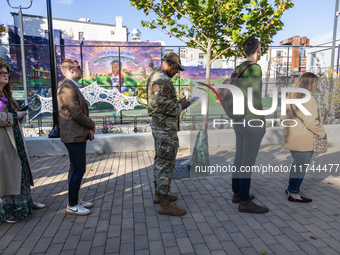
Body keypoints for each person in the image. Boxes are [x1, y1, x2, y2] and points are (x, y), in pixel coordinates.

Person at [0, 63, 45, 224]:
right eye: (2, 73)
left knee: (22, 170)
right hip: (4, 142)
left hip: (15, 138)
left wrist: (18, 114)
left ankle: (25, 202)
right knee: (7, 176)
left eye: (7, 73)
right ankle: (8, 211)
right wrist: (14, 116)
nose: (5, 76)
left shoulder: (6, 93)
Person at [147, 52, 190, 216]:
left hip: (161, 127)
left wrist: (176, 103)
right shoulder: (162, 80)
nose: (177, 72)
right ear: (171, 64)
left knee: (161, 161)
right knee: (166, 164)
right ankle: (164, 204)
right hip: (165, 130)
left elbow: (161, 104)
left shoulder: (156, 75)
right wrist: (182, 105)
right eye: (177, 68)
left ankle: (160, 194)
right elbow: (167, 107)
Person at [231, 37, 268, 214]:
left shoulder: (238, 68)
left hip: (237, 119)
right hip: (251, 120)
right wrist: (261, 120)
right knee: (247, 161)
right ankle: (244, 202)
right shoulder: (254, 68)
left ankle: (237, 193)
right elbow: (254, 98)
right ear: (258, 49)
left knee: (239, 157)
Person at [57, 59, 96, 215]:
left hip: (77, 134)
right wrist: (91, 125)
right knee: (78, 169)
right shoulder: (67, 88)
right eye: (78, 68)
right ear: (70, 70)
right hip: (73, 136)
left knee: (77, 169)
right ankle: (72, 204)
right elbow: (77, 113)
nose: (81, 70)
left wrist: (87, 129)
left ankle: (75, 200)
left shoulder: (71, 86)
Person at [281, 72, 326, 202]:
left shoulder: (290, 96)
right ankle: (293, 193)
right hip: (304, 139)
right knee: (300, 167)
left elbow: (283, 117)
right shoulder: (309, 99)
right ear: (311, 84)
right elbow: (311, 121)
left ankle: (291, 187)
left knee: (296, 165)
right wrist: (322, 134)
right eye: (315, 83)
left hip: (291, 138)